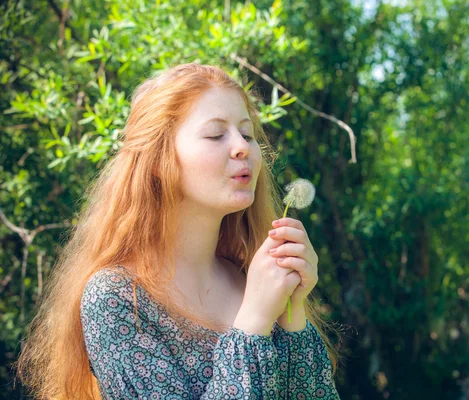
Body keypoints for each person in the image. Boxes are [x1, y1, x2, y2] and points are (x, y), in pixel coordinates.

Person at [16, 63, 342, 399]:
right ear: (159, 159)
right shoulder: (117, 299)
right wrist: (255, 319)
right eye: (216, 134)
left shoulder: (255, 278)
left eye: (247, 134)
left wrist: (293, 309)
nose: (242, 147)